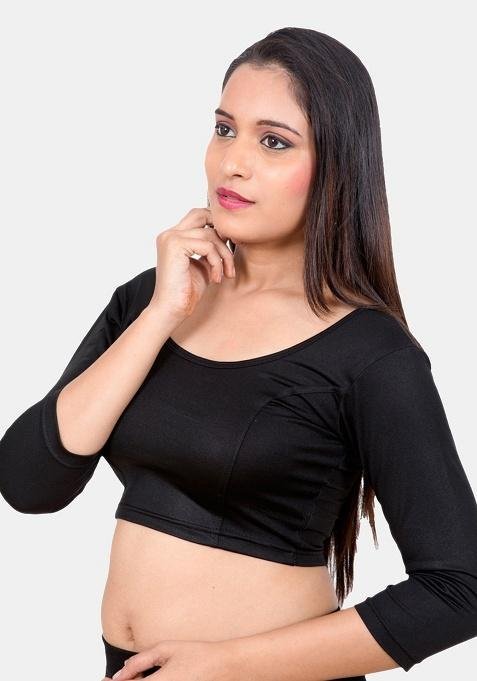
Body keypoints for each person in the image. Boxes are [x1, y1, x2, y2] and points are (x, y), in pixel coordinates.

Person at [1, 26, 477, 681]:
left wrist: (224, 664)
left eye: (273, 141)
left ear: (337, 166)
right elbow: (28, 483)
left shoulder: (371, 353)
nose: (233, 162)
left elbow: (458, 588)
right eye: (225, 129)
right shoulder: (151, 299)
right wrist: (161, 315)